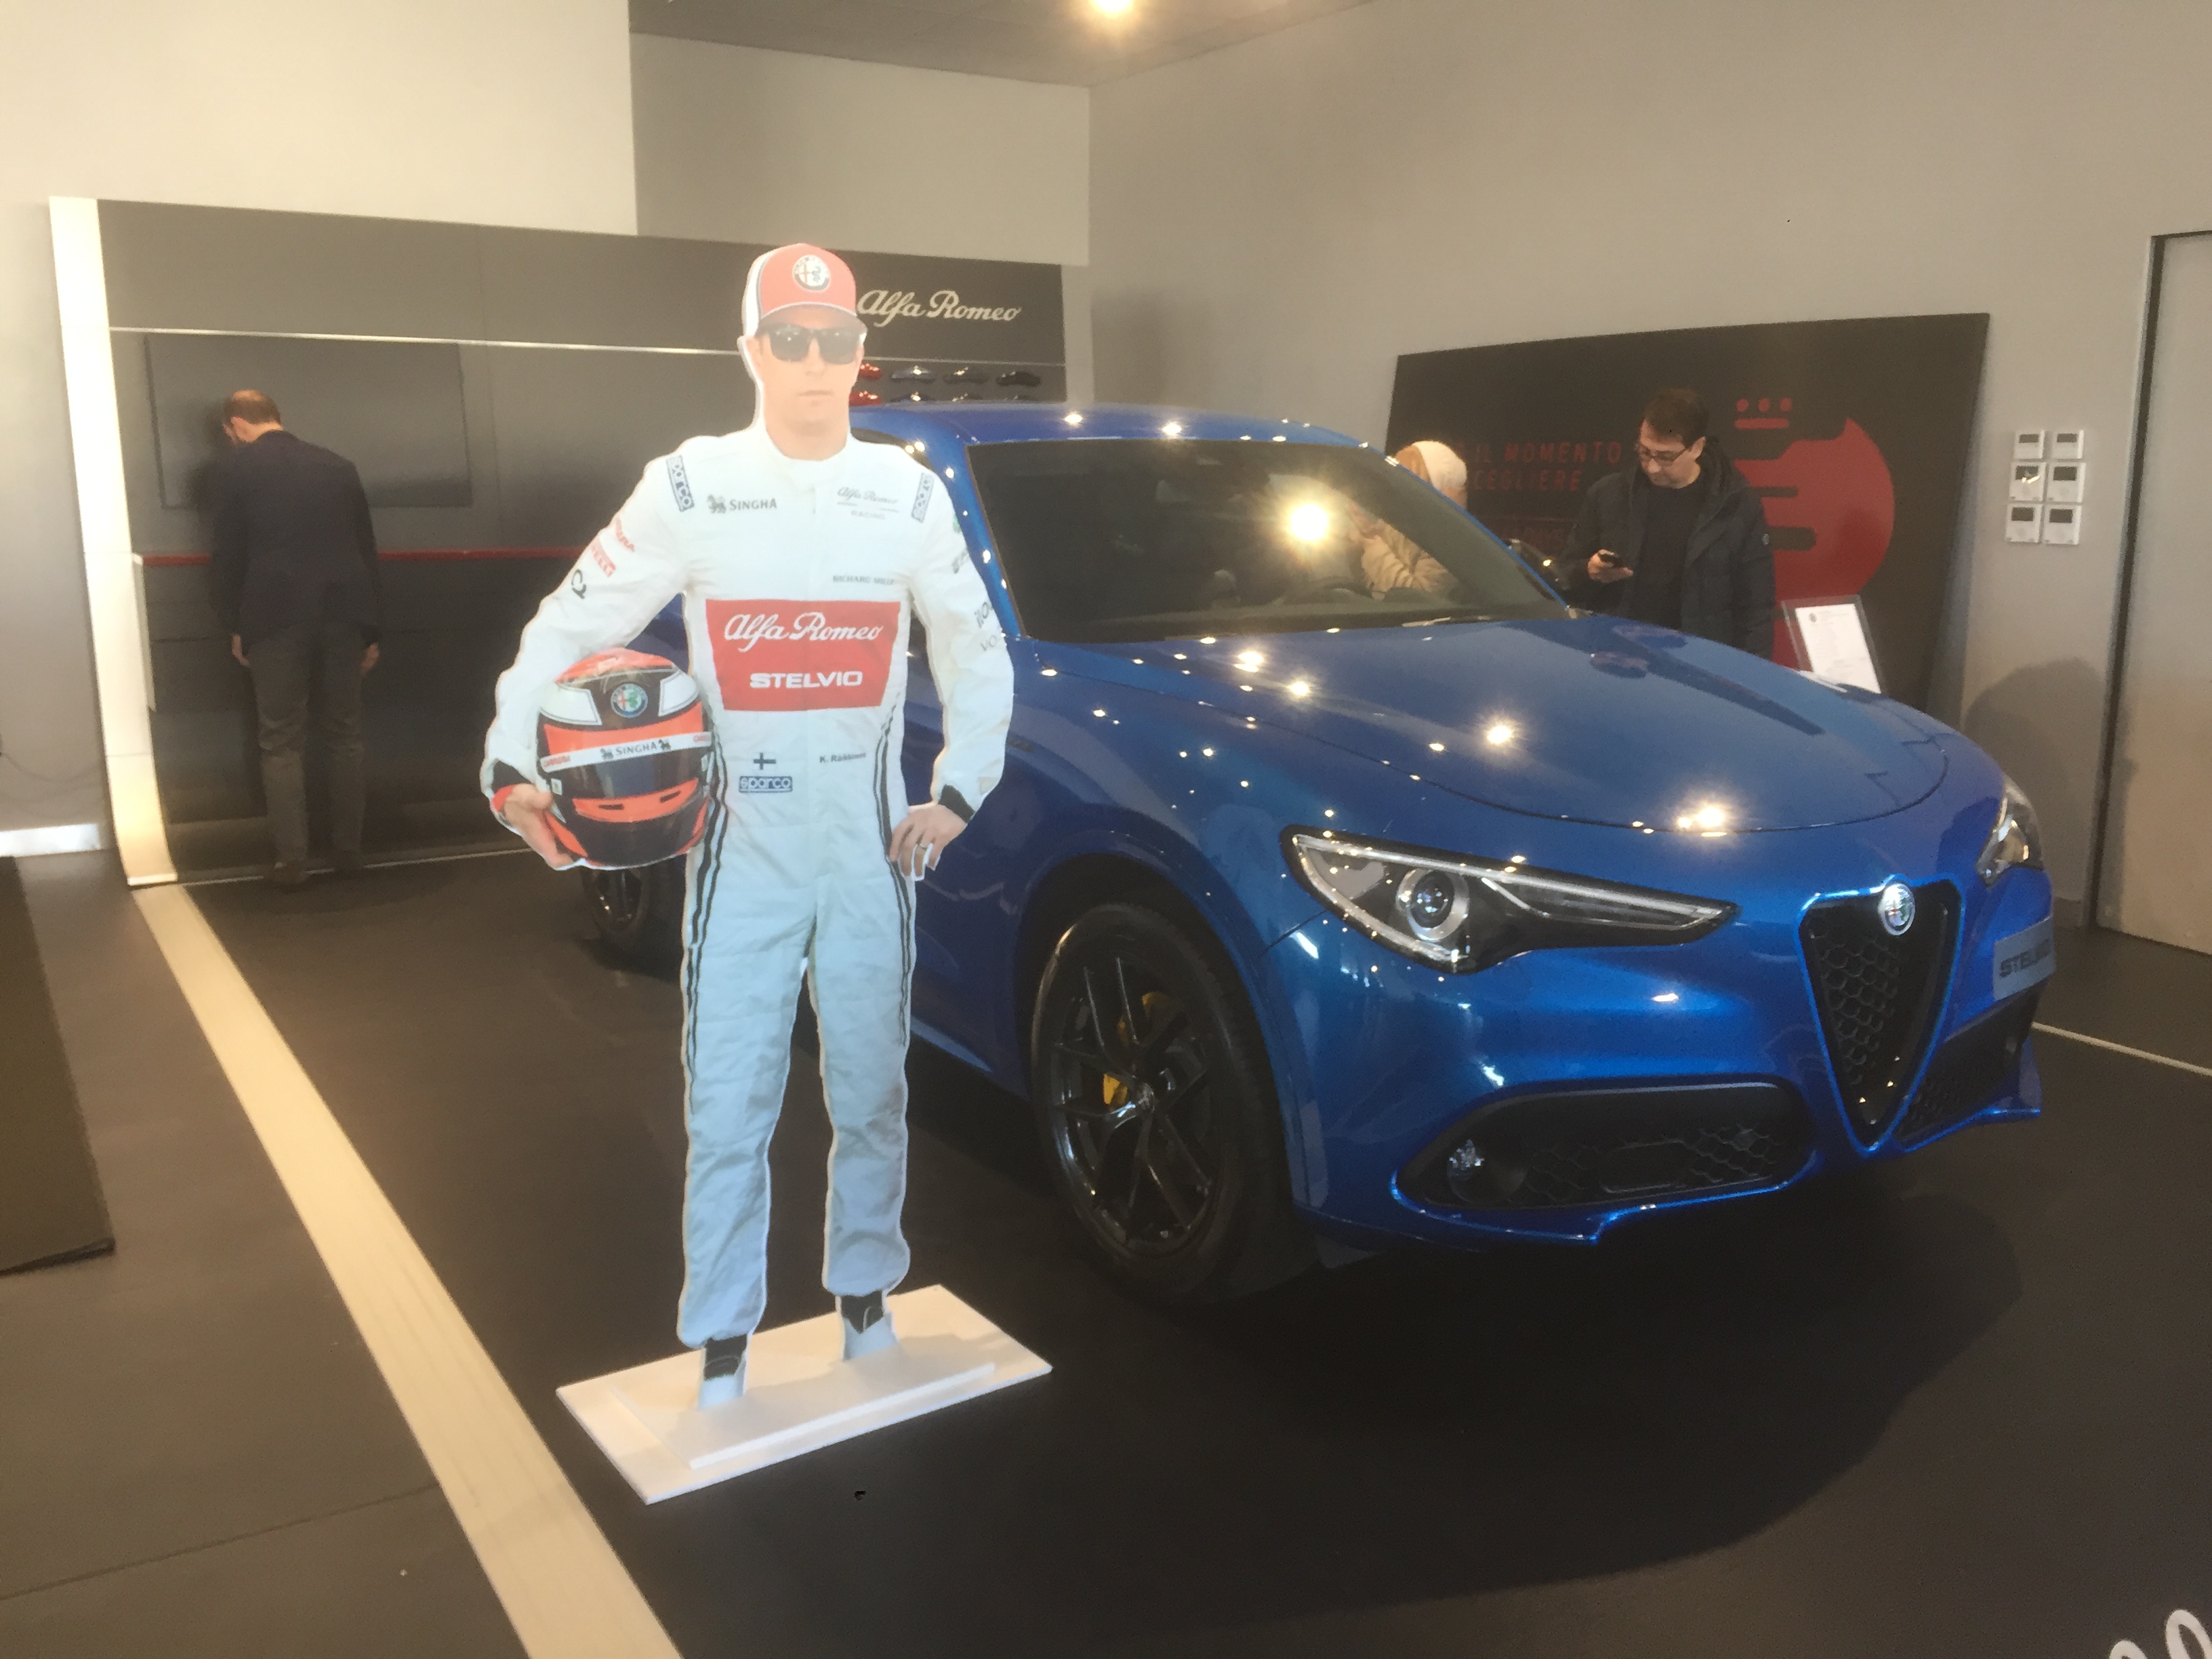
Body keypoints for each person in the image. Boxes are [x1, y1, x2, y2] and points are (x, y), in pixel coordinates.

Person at [482, 245, 1014, 1408]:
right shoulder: (689, 486)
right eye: (791, 338)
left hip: (871, 855)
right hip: (746, 855)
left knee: (873, 1092)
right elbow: (569, 626)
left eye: (836, 340)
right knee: (728, 1103)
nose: (815, 361)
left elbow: (976, 646)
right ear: (752, 350)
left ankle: (866, 1297)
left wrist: (959, 789)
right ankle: (723, 1336)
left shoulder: (907, 495)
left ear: (860, 354)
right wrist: (512, 767)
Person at [205, 390, 382, 887]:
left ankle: (292, 859)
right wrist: (371, 630)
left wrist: (234, 624)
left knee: (281, 740)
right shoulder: (338, 467)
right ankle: (349, 851)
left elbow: (228, 556)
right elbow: (365, 550)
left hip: (275, 617)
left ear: (236, 425)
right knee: (344, 734)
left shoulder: (235, 470)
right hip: (345, 615)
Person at [1564, 388, 1775, 656]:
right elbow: (1564, 575)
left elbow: (1756, 607)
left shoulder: (1737, 506)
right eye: (1644, 452)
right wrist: (1588, 571)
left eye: (1665, 457)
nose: (1652, 466)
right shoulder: (1608, 496)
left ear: (1697, 447)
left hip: (1698, 660)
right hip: (1618, 654)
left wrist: (1750, 673)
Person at [1357, 441, 1462, 595]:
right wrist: (1354, 548)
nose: (1398, 486)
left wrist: (1373, 547)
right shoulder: (1395, 522)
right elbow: (1368, 588)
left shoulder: (1448, 540)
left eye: (1411, 476)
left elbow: (1420, 597)